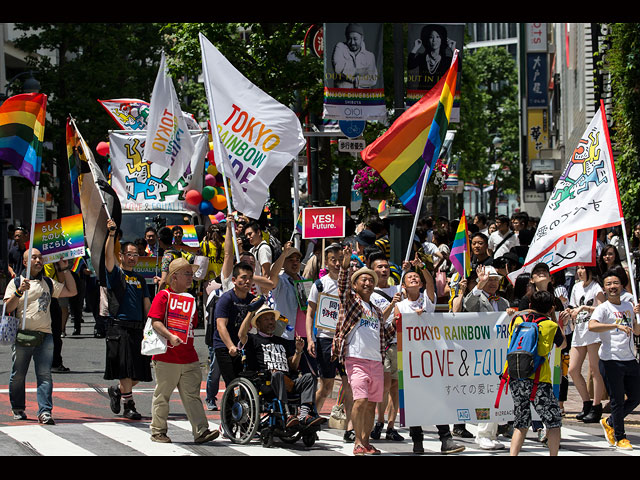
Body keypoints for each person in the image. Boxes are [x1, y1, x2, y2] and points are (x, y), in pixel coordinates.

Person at [331, 245, 396, 456]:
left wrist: (400, 320)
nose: (368, 283)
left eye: (370, 280)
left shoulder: (376, 311)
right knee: (360, 400)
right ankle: (358, 442)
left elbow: (385, 335)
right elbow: (342, 286)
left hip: (376, 361)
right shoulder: (351, 302)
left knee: (371, 404)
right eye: (363, 280)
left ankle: (366, 442)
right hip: (355, 359)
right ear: (355, 284)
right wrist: (346, 263)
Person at [147, 257, 219, 444]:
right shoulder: (163, 296)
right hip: (166, 356)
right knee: (162, 396)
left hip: (188, 356)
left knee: (192, 396)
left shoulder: (190, 299)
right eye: (187, 273)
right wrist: (170, 336)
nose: (191, 277)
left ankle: (201, 431)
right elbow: (155, 321)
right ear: (174, 277)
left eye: (191, 273)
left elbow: (191, 325)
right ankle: (158, 431)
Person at [3, 249, 77, 424]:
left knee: (44, 374)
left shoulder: (48, 283)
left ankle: (45, 411)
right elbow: (7, 308)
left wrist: (65, 269)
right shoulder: (16, 282)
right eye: (33, 258)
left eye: (40, 258)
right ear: (25, 262)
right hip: (22, 335)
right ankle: (18, 408)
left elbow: (71, 291)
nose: (38, 260)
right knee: (18, 374)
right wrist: (19, 292)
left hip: (45, 335)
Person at [239, 304, 325, 428]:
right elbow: (241, 335)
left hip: (288, 381)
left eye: (272, 319)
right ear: (257, 324)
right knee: (277, 374)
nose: (271, 322)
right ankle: (286, 413)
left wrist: (298, 351)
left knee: (309, 377)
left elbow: (294, 366)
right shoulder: (253, 339)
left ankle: (304, 414)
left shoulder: (282, 341)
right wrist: (250, 312)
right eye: (266, 319)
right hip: (267, 382)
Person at [305, 242, 355, 442]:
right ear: (326, 262)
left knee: (349, 384)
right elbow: (310, 313)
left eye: (339, 259)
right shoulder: (320, 285)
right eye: (332, 260)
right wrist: (310, 338)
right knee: (325, 386)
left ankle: (350, 428)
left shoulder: (350, 282)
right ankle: (310, 418)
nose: (336, 263)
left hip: (347, 339)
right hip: (325, 339)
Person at [104, 218, 152, 421]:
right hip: (119, 328)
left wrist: (153, 325)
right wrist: (111, 235)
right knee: (125, 370)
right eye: (129, 254)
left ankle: (117, 390)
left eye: (136, 254)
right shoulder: (116, 274)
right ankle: (128, 405)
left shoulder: (141, 279)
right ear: (121, 256)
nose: (133, 258)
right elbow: (107, 257)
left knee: (138, 374)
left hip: (138, 329)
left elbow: (147, 305)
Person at [508, 290, 567, 456]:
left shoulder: (517, 320)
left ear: (529, 305)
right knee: (553, 421)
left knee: (521, 422)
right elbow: (562, 344)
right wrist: (555, 319)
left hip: (515, 376)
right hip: (539, 379)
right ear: (550, 309)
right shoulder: (550, 325)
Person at [589, 268, 640, 451]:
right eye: (609, 284)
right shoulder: (603, 309)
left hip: (630, 358)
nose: (612, 287)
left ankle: (610, 421)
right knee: (617, 399)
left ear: (621, 286)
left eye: (615, 283)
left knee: (636, 396)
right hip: (611, 359)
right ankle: (620, 437)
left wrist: (637, 317)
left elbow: (637, 331)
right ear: (604, 288)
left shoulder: (628, 305)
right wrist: (613, 324)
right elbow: (592, 326)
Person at [462, 265, 510, 450]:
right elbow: (468, 304)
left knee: (496, 393)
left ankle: (491, 433)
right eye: (489, 279)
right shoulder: (477, 297)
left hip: (499, 353)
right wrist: (478, 286)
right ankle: (482, 434)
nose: (493, 283)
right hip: (481, 353)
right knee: (485, 395)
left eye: (496, 280)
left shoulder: (504, 302)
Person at [368, 251, 404, 442]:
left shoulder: (399, 289)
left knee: (396, 386)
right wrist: (392, 304)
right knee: (384, 385)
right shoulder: (370, 294)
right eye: (379, 267)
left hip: (400, 344)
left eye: (386, 266)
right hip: (383, 345)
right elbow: (378, 319)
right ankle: (379, 421)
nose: (384, 270)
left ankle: (391, 426)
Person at [268, 241, 317, 376]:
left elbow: (309, 309)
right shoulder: (281, 281)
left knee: (310, 374)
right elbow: (272, 276)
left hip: (304, 336)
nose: (295, 263)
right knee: (285, 374)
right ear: (284, 262)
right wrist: (284, 253)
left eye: (297, 260)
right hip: (284, 334)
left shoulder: (305, 282)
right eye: (290, 260)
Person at [567, 265, 606, 423]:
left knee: (595, 370)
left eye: (583, 268)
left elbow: (603, 309)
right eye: (578, 268)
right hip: (579, 330)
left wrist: (585, 307)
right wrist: (569, 311)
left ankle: (597, 407)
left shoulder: (596, 288)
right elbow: (572, 306)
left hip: (594, 332)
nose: (579, 271)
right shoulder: (576, 287)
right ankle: (586, 403)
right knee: (573, 369)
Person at [213, 261, 256, 385]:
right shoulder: (226, 299)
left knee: (248, 379)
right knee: (232, 382)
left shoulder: (252, 299)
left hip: (242, 344)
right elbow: (221, 326)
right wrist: (230, 346)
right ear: (234, 280)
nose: (247, 281)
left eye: (250, 278)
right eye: (243, 277)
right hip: (224, 345)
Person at [331, 23, 378, 89]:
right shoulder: (340, 47)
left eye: (355, 39)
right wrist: (358, 71)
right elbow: (338, 69)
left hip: (362, 97)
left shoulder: (370, 56)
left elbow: (373, 79)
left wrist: (356, 80)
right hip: (342, 96)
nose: (352, 42)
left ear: (362, 38)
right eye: (349, 39)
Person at [407, 24, 452, 91]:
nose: (434, 40)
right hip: (423, 97)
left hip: (440, 97)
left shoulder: (447, 60)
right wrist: (415, 48)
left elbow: (458, 68)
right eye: (431, 37)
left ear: (442, 39)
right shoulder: (421, 57)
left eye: (438, 37)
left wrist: (453, 49)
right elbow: (410, 65)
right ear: (427, 39)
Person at [244, 220, 272, 295]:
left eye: (250, 234)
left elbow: (265, 273)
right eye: (246, 235)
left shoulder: (264, 248)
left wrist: (264, 294)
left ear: (258, 232)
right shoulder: (252, 249)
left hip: (260, 292)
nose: (248, 237)